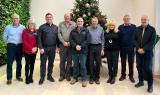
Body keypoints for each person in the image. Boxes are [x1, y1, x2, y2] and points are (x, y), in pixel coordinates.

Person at [135, 15, 156, 93]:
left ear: (148, 20)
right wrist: (138, 48)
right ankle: (141, 81)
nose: (143, 21)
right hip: (138, 52)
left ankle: (150, 85)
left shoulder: (152, 29)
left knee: (148, 68)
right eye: (142, 19)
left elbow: (152, 42)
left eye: (145, 19)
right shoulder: (137, 29)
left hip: (148, 53)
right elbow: (134, 40)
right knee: (139, 67)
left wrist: (144, 49)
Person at [3, 14, 25, 85]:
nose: (16, 20)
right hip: (11, 46)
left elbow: (25, 37)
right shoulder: (8, 27)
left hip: (20, 46)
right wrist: (10, 42)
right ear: (12, 19)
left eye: (17, 18)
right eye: (14, 18)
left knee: (19, 62)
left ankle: (18, 76)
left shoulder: (23, 27)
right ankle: (9, 78)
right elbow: (4, 37)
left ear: (19, 19)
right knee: (9, 62)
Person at [38, 13, 59, 85]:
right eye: (47, 17)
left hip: (53, 48)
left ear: (52, 18)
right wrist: (40, 47)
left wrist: (57, 47)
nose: (49, 18)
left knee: (51, 63)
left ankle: (49, 76)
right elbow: (39, 38)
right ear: (45, 18)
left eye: (50, 17)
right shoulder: (41, 27)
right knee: (43, 63)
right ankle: (42, 77)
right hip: (44, 48)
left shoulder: (56, 27)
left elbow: (57, 39)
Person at [70, 17, 90, 87]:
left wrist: (81, 46)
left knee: (83, 66)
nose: (80, 22)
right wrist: (76, 46)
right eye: (78, 21)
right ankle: (75, 78)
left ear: (83, 22)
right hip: (74, 51)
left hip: (83, 51)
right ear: (77, 22)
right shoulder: (73, 31)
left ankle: (84, 79)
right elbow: (71, 40)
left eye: (81, 21)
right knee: (75, 65)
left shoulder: (86, 30)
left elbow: (87, 40)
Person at [58, 13, 76, 82]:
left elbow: (75, 34)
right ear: (64, 17)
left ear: (70, 17)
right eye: (65, 17)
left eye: (68, 17)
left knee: (69, 61)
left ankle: (67, 75)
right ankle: (62, 75)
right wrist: (63, 42)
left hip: (71, 46)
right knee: (62, 61)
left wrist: (70, 42)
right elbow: (59, 33)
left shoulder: (74, 24)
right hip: (63, 45)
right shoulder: (60, 24)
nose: (67, 18)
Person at [118, 15, 136, 83]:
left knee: (131, 62)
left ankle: (131, 76)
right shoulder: (120, 27)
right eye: (125, 19)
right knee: (123, 62)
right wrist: (119, 47)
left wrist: (135, 47)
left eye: (128, 19)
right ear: (123, 19)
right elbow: (119, 38)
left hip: (131, 48)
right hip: (122, 48)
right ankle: (123, 75)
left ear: (130, 19)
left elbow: (135, 37)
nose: (126, 20)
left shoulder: (134, 27)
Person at [87, 17, 105, 84]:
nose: (94, 22)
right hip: (90, 47)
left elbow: (103, 39)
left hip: (98, 46)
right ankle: (91, 77)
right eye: (93, 21)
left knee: (98, 63)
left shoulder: (101, 29)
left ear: (97, 22)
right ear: (91, 22)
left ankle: (97, 77)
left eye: (95, 21)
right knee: (91, 63)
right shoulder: (88, 28)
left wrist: (102, 49)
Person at [22, 19, 38, 84]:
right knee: (27, 64)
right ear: (28, 24)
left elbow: (38, 40)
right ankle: (26, 78)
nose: (32, 25)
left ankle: (31, 76)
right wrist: (31, 48)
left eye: (33, 24)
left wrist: (36, 47)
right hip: (27, 51)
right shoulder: (25, 31)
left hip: (34, 51)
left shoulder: (36, 31)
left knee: (32, 64)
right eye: (30, 23)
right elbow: (24, 41)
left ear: (34, 25)